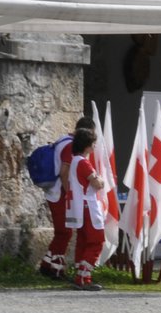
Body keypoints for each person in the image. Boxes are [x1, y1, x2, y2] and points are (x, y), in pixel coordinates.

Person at [49, 128, 110, 292]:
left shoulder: (74, 160)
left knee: (83, 241)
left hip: (78, 206)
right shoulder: (83, 162)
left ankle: (79, 275)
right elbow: (97, 184)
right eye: (93, 143)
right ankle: (84, 276)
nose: (94, 146)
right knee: (96, 240)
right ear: (87, 145)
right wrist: (101, 180)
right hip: (88, 205)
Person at [37, 116, 95, 281]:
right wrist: (71, 193)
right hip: (59, 193)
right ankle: (56, 269)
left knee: (62, 231)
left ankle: (47, 264)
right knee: (65, 232)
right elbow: (64, 172)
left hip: (54, 191)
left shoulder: (63, 140)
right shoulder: (71, 145)